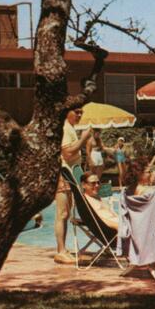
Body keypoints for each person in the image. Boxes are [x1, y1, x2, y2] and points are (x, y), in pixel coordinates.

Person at [57, 108, 92, 265]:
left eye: (81, 113)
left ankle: (63, 249)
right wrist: (83, 138)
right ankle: (60, 251)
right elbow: (67, 153)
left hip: (70, 176)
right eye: (76, 112)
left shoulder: (70, 128)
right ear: (67, 112)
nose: (79, 115)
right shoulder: (66, 128)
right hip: (64, 175)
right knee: (62, 214)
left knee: (65, 214)